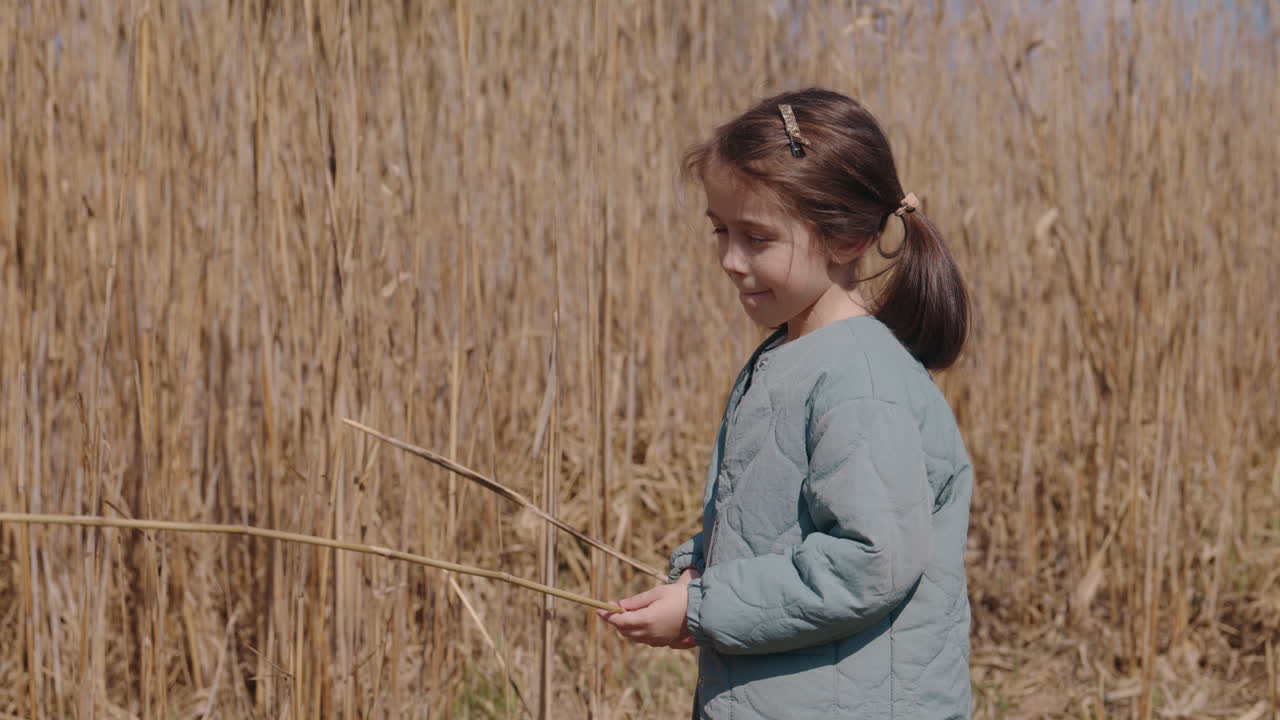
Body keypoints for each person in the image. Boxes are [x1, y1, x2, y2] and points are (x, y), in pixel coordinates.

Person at [596, 88, 974, 719]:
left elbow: (868, 562)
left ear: (847, 238)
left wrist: (704, 607)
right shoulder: (795, 351)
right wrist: (698, 576)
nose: (728, 260)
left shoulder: (860, 382)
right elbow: (772, 523)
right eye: (721, 231)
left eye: (756, 237)